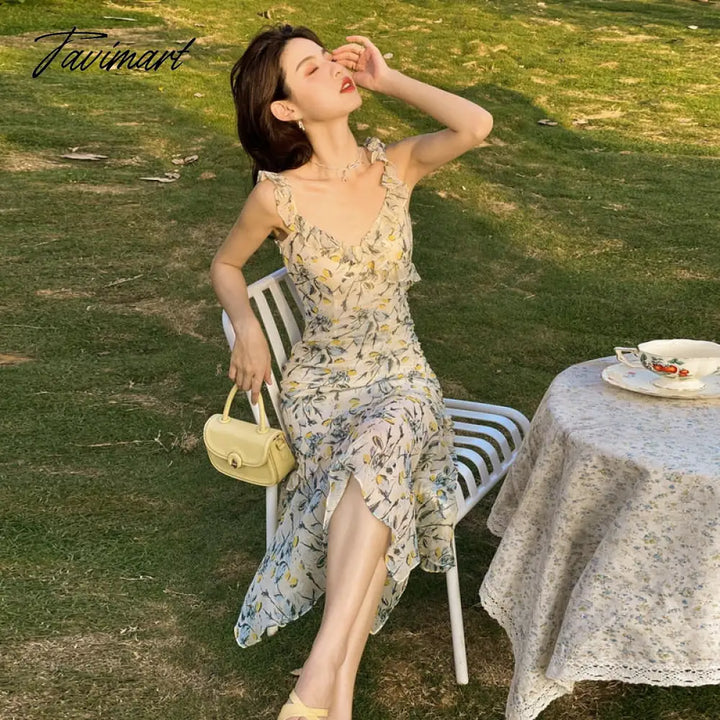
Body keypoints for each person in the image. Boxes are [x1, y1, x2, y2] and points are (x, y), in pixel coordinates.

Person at [210, 23, 493, 720]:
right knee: (375, 469)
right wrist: (247, 327)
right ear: (286, 109)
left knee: (382, 443)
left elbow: (476, 125)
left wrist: (386, 79)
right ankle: (330, 699)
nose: (335, 69)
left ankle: (317, 677)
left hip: (402, 379)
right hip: (321, 391)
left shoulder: (395, 166)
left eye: (327, 57)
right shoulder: (277, 197)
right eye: (311, 69)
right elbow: (225, 265)